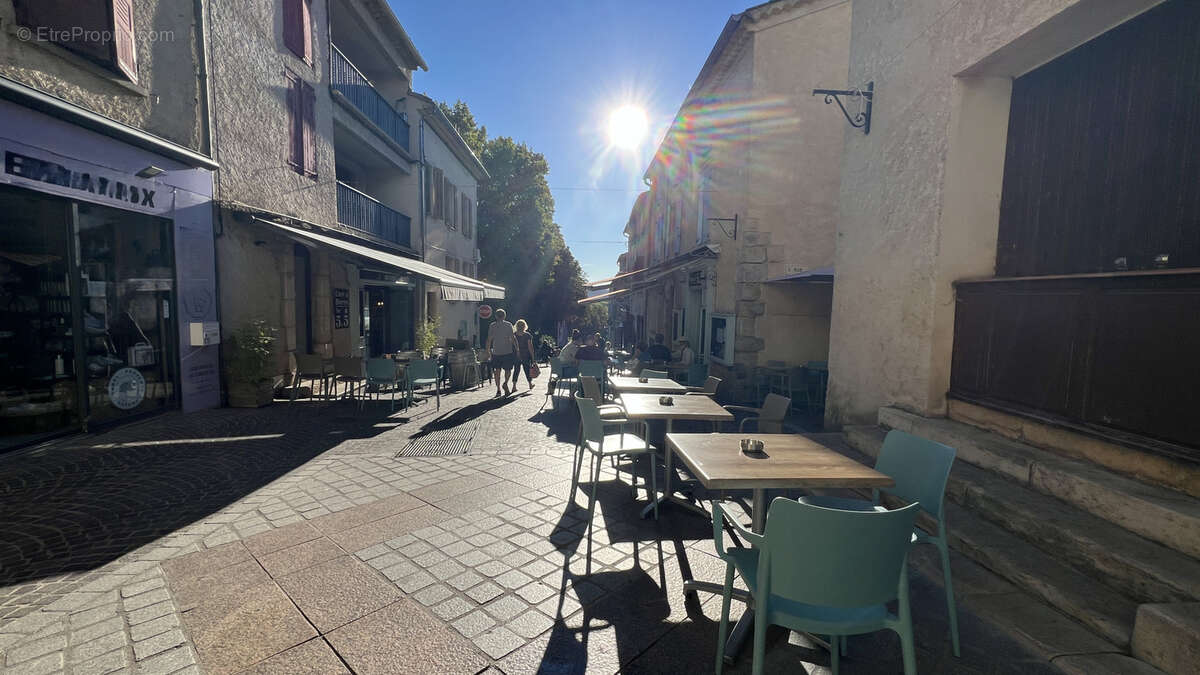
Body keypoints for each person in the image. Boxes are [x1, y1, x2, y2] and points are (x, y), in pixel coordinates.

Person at [486, 308, 519, 396]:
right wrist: (517, 349)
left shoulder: (492, 325)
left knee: (497, 371)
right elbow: (513, 338)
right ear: (504, 316)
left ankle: (498, 390)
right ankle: (505, 383)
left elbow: (489, 339)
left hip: (496, 351)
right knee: (508, 370)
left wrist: (488, 351)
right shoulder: (508, 325)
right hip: (507, 351)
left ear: (496, 316)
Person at [514, 319, 536, 391]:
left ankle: (514, 386)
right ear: (524, 326)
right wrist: (533, 357)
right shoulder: (527, 335)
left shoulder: (514, 335)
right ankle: (530, 384)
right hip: (526, 355)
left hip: (516, 354)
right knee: (527, 370)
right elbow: (530, 347)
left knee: (516, 370)